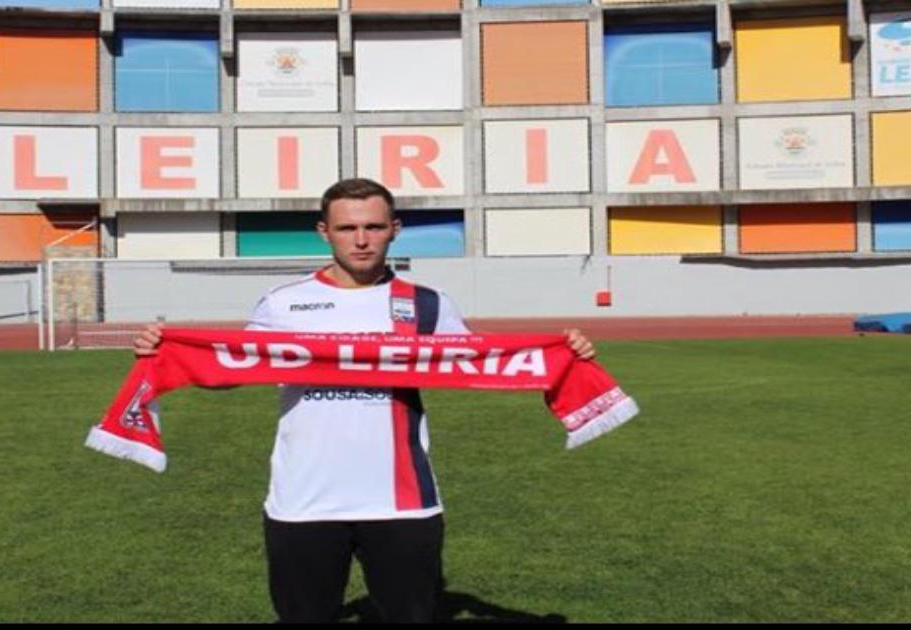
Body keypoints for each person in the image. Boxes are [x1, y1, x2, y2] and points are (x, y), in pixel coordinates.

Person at [132, 178, 596, 623]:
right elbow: (230, 371)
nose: (361, 240)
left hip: (402, 502)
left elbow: (484, 360)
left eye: (373, 226)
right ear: (324, 231)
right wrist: (168, 351)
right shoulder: (283, 303)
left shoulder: (429, 304)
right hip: (303, 500)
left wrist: (559, 354)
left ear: (394, 229)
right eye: (347, 227)